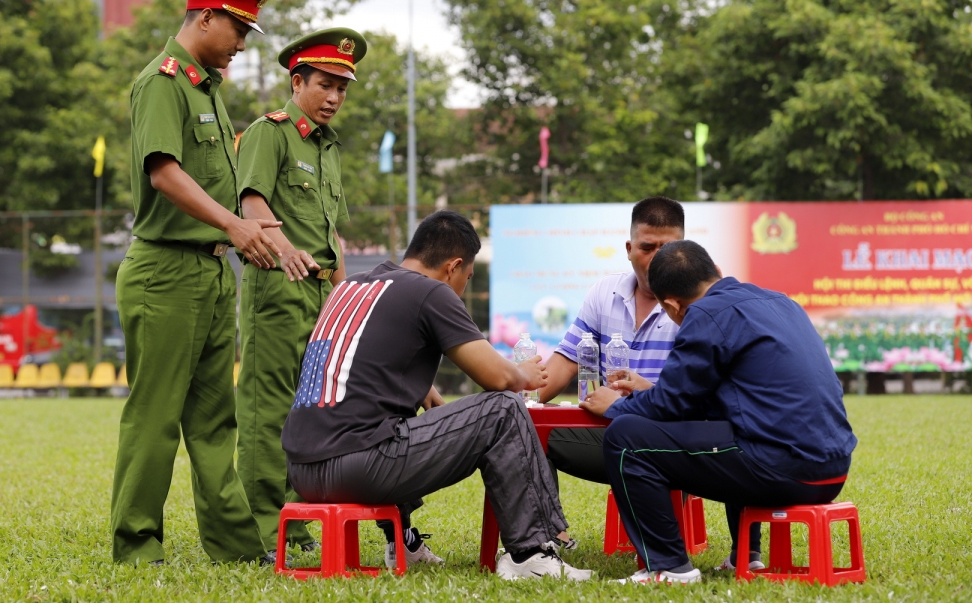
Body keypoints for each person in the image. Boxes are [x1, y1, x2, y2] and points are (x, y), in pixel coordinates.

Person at [282, 210, 594, 581]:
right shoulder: (429, 290)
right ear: (454, 266)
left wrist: (422, 387)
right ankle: (531, 554)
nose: (462, 287)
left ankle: (405, 542)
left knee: (390, 422)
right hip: (356, 467)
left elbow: (357, 364)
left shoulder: (352, 286)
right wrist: (522, 374)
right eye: (468, 277)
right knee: (503, 410)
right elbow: (497, 378)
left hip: (302, 469)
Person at [109, 0, 283, 566]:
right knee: (156, 416)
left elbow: (218, 187)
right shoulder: (162, 83)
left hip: (210, 272)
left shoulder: (208, 91)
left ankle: (235, 548)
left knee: (215, 421)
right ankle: (137, 546)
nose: (242, 42)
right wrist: (234, 227)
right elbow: (165, 172)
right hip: (164, 271)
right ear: (205, 18)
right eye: (238, 28)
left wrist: (255, 229)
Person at [581, 240, 858, 584]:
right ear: (717, 274)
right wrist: (651, 390)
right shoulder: (780, 303)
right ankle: (746, 556)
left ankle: (669, 567)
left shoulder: (705, 313)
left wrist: (616, 406)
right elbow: (706, 400)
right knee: (728, 427)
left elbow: (673, 406)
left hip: (782, 470)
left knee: (625, 438)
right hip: (831, 470)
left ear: (672, 305)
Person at [235, 29, 370, 560]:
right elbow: (250, 204)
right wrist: (284, 247)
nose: (335, 96)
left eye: (343, 87)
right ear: (297, 82)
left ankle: (296, 518)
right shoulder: (270, 134)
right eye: (325, 84)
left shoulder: (328, 146)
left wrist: (343, 299)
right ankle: (263, 528)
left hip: (319, 294)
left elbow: (332, 234)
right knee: (267, 409)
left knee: (310, 407)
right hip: (277, 284)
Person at [540, 197, 684, 486]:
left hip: (668, 441)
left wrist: (640, 397)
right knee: (523, 431)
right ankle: (553, 533)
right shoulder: (604, 293)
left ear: (684, 251)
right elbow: (563, 365)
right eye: (647, 247)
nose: (657, 258)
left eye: (667, 248)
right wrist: (515, 403)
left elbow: (691, 402)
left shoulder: (697, 303)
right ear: (629, 250)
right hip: (609, 431)